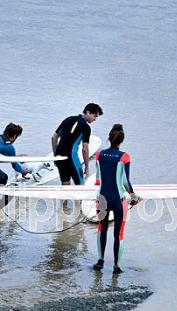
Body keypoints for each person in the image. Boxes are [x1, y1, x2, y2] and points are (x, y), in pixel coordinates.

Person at [93, 124, 140, 275]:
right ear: (122, 140)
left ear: (109, 138)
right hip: (118, 200)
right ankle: (116, 267)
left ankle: (100, 262)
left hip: (102, 198)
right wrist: (134, 197)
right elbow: (126, 182)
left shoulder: (99, 155)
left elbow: (98, 180)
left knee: (102, 228)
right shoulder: (124, 157)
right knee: (118, 234)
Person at [51, 103, 103, 185]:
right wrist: (86, 167)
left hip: (60, 157)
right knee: (80, 186)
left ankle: (65, 198)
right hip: (72, 158)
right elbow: (85, 149)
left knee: (65, 184)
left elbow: (54, 138)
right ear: (88, 112)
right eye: (94, 116)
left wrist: (55, 156)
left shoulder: (68, 119)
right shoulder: (86, 127)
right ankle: (78, 198)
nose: (95, 119)